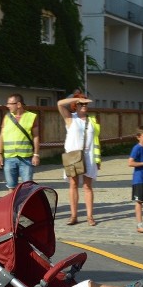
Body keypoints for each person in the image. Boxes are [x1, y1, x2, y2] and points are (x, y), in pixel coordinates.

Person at [57, 96, 101, 226]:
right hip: (73, 155)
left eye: (86, 104)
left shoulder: (92, 119)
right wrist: (75, 98)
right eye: (81, 104)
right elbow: (59, 103)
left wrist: (98, 158)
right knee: (73, 184)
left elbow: (96, 140)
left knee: (87, 186)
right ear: (75, 105)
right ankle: (74, 216)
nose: (84, 106)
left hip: (89, 155)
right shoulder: (71, 118)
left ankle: (90, 217)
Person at [0, 93, 40, 192]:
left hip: (26, 158)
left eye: (10, 103)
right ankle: (12, 207)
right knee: (11, 186)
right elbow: (1, 137)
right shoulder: (6, 117)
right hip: (9, 157)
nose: (7, 106)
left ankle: (27, 206)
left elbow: (36, 137)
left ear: (19, 104)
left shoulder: (32, 117)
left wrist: (36, 154)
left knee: (28, 186)